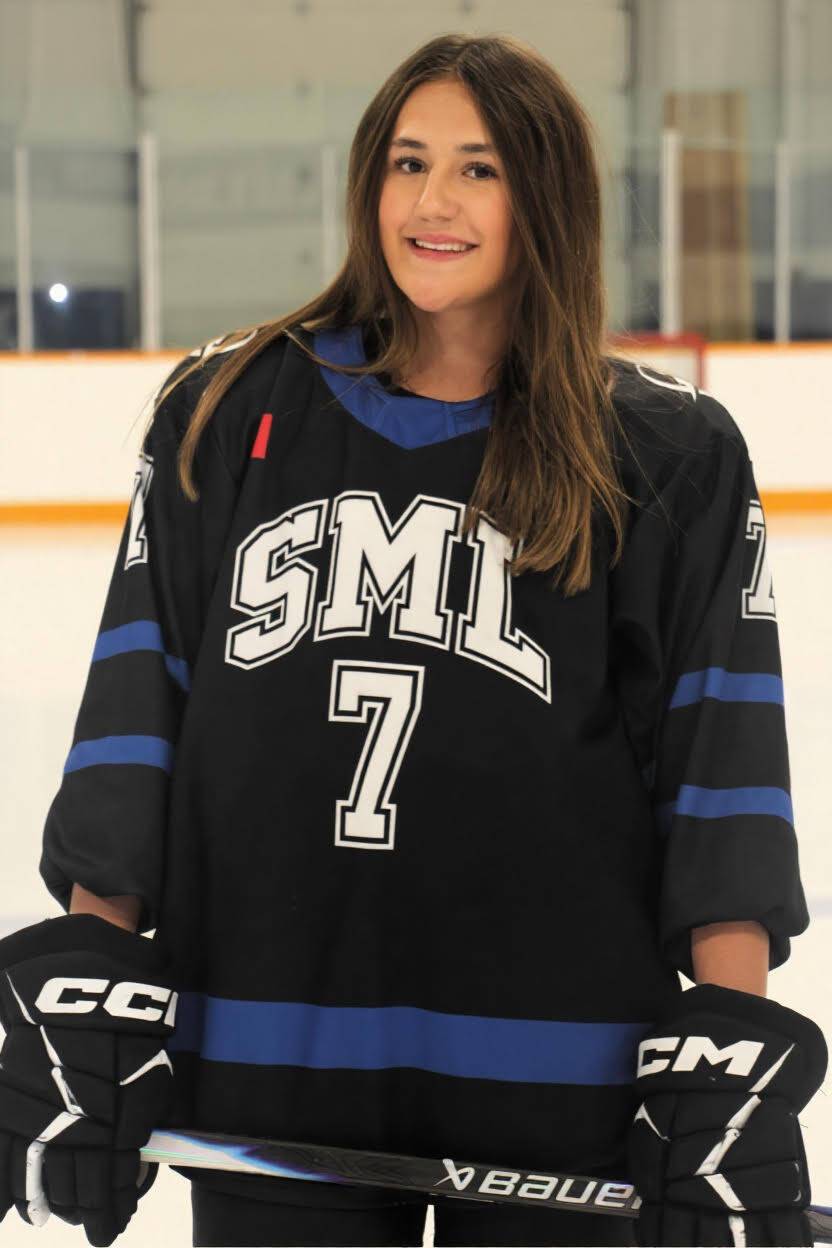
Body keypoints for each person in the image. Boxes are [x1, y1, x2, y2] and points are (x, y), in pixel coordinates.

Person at [0, 31, 826, 1248]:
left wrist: (723, 1043)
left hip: (565, 1074)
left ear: (545, 196)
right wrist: (93, 976)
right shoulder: (230, 408)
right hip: (273, 1057)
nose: (432, 202)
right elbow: (138, 714)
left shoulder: (664, 451)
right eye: (407, 162)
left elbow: (720, 770)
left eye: (479, 169)